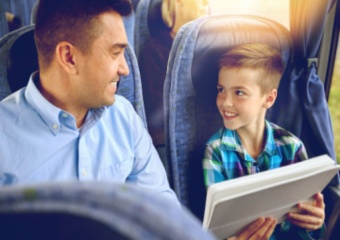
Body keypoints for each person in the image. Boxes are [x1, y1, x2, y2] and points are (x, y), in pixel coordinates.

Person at [0, 0, 178, 205]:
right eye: (115, 53)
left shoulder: (124, 117)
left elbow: (163, 210)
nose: (125, 69)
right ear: (69, 57)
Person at [203, 43, 325, 239]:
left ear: (268, 98)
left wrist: (314, 223)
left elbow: (303, 221)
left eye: (239, 92)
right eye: (221, 90)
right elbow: (217, 228)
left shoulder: (292, 147)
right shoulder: (215, 151)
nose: (225, 102)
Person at [139, 0, 210, 147]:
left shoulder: (211, 45)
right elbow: (165, 115)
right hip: (170, 139)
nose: (206, 3)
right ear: (178, 2)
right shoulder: (153, 51)